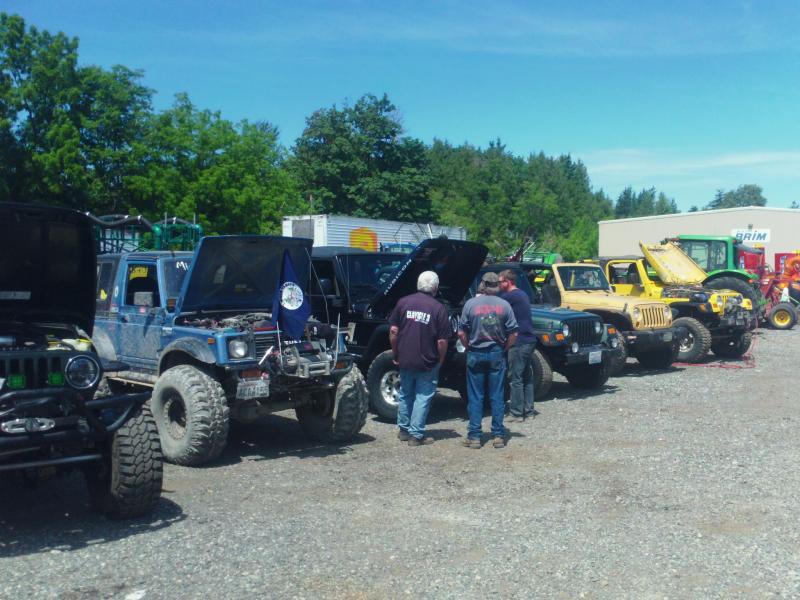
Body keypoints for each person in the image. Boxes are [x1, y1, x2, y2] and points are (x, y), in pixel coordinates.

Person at [388, 270, 451, 447]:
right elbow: (442, 341)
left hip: (405, 357)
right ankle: (416, 435)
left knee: (405, 393)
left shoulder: (403, 302)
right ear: (435, 287)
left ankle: (403, 430)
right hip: (428, 361)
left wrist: (395, 352)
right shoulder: (438, 308)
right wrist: (441, 358)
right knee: (423, 396)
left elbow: (393, 331)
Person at [458, 271, 518, 449]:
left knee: (475, 396)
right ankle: (498, 435)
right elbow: (514, 333)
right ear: (497, 286)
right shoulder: (505, 305)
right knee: (497, 395)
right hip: (496, 352)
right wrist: (505, 347)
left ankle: (474, 436)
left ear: (482, 285)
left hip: (475, 352)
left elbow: (461, 332)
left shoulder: (470, 304)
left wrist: (468, 346)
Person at [499, 269, 536, 422]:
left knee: (515, 378)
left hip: (519, 341)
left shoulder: (510, 296)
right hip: (529, 340)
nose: (498, 285)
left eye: (500, 282)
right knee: (526, 376)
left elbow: (496, 308)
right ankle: (529, 410)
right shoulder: (522, 293)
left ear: (508, 282)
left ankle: (516, 413)